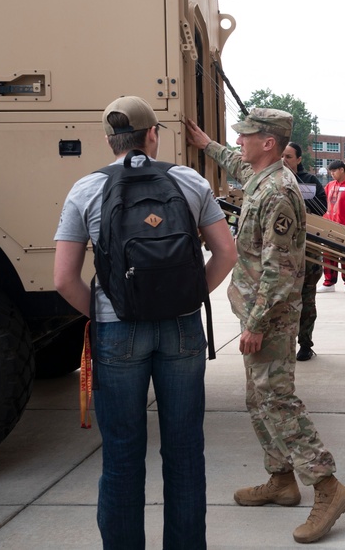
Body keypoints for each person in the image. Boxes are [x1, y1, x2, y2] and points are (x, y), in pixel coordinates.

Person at [53, 96, 237, 549]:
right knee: (185, 454)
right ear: (153, 134)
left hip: (117, 331)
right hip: (182, 328)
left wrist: (105, 314)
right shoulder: (189, 181)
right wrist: (190, 298)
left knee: (120, 457)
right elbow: (226, 252)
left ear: (108, 140)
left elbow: (63, 279)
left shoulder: (86, 189)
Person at [185, 109, 345, 545]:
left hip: (271, 316)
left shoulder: (279, 191)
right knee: (256, 399)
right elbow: (239, 164)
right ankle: (281, 480)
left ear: (269, 142)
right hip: (255, 310)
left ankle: (328, 488)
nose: (239, 141)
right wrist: (207, 144)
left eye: (247, 136)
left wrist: (257, 322)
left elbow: (280, 269)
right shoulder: (262, 176)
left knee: (277, 401)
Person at [282, 143, 327, 362]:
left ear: (299, 159)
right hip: (282, 254)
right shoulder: (273, 181)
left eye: (288, 157)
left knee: (307, 300)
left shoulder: (309, 182)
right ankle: (284, 343)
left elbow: (322, 208)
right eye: (281, 156)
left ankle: (305, 344)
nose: (284, 160)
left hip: (308, 252)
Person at [319, 160, 345, 293]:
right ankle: (329, 282)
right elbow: (322, 204)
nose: (332, 174)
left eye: (334, 171)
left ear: (342, 170)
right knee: (328, 254)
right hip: (329, 226)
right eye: (330, 172)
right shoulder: (330, 185)